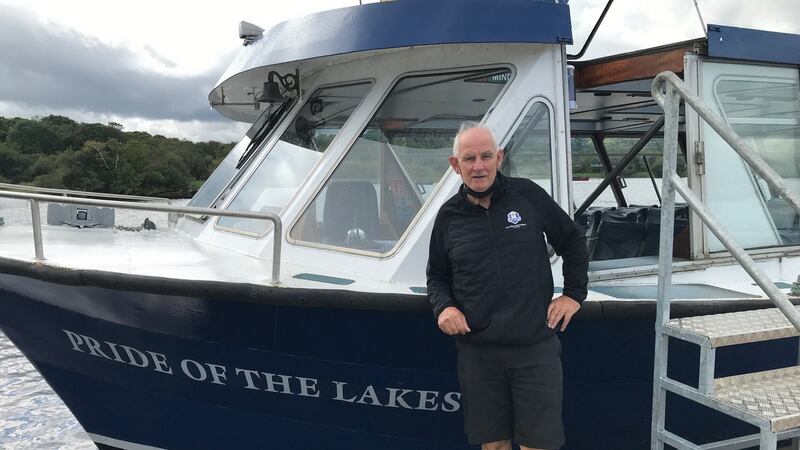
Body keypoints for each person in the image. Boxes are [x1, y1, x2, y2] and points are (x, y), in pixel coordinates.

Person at [427, 122, 588, 450]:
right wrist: (443, 307)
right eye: (469, 158)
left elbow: (572, 240)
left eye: (486, 156)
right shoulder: (447, 217)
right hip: (478, 353)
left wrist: (574, 294)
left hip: (535, 347)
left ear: (499, 157)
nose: (478, 165)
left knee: (537, 446)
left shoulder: (527, 195)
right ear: (455, 165)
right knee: (494, 447)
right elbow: (437, 276)